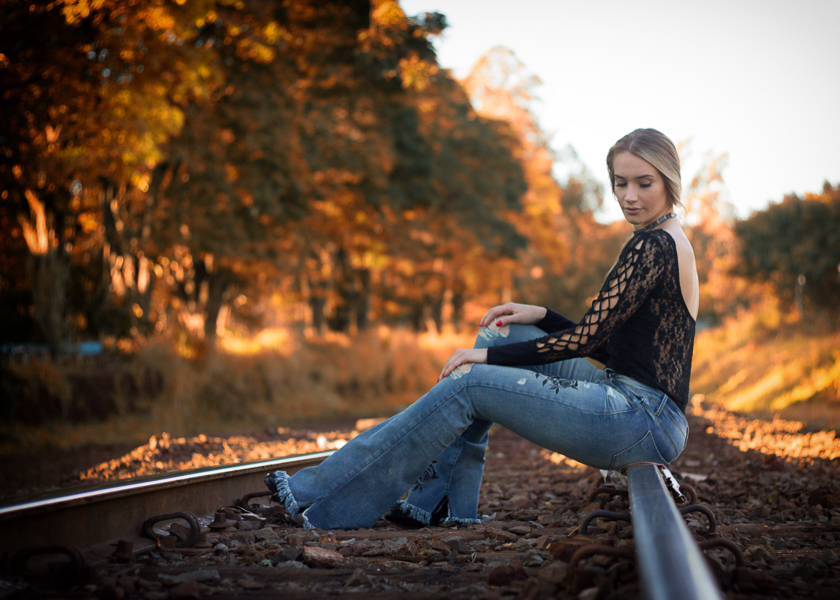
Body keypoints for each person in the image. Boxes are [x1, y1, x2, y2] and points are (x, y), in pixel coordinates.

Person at [265, 127, 699, 530]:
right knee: (504, 332)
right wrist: (541, 315)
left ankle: (321, 493)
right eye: (620, 183)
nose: (629, 196)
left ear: (668, 181)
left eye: (644, 183)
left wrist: (485, 360)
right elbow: (608, 345)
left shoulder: (652, 245)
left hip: (640, 417)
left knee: (470, 382)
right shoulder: (668, 237)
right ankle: (440, 503)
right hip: (642, 406)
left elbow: (585, 341)